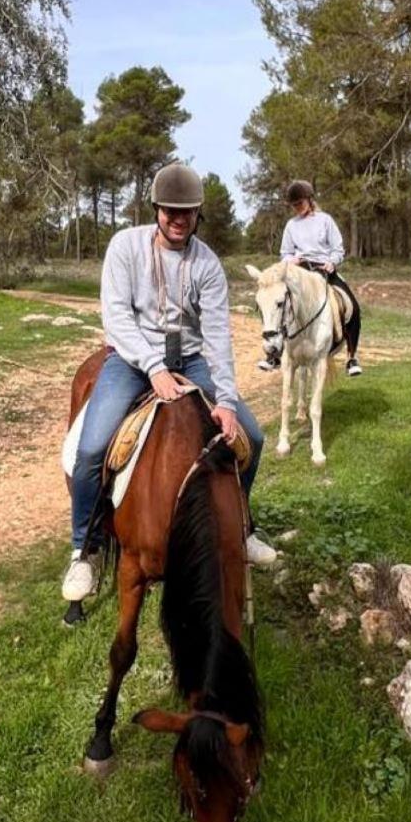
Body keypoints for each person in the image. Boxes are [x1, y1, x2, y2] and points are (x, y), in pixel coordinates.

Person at [62, 163, 277, 603]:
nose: (178, 221)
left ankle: (241, 527)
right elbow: (117, 318)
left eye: (188, 213)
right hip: (131, 358)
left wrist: (229, 403)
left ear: (198, 214)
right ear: (156, 209)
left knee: (251, 437)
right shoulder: (125, 247)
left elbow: (217, 336)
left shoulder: (207, 264)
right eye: (170, 212)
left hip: (192, 359)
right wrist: (154, 367)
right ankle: (83, 548)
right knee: (89, 447)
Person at [262, 179, 362, 377]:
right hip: (300, 272)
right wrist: (292, 260)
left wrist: (332, 262)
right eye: (294, 205)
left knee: (352, 305)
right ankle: (273, 354)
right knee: (276, 302)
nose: (297, 208)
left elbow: (337, 248)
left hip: (323, 270)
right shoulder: (291, 225)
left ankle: (351, 357)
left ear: (309, 200)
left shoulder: (325, 220)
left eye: (300, 203)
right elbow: (285, 253)